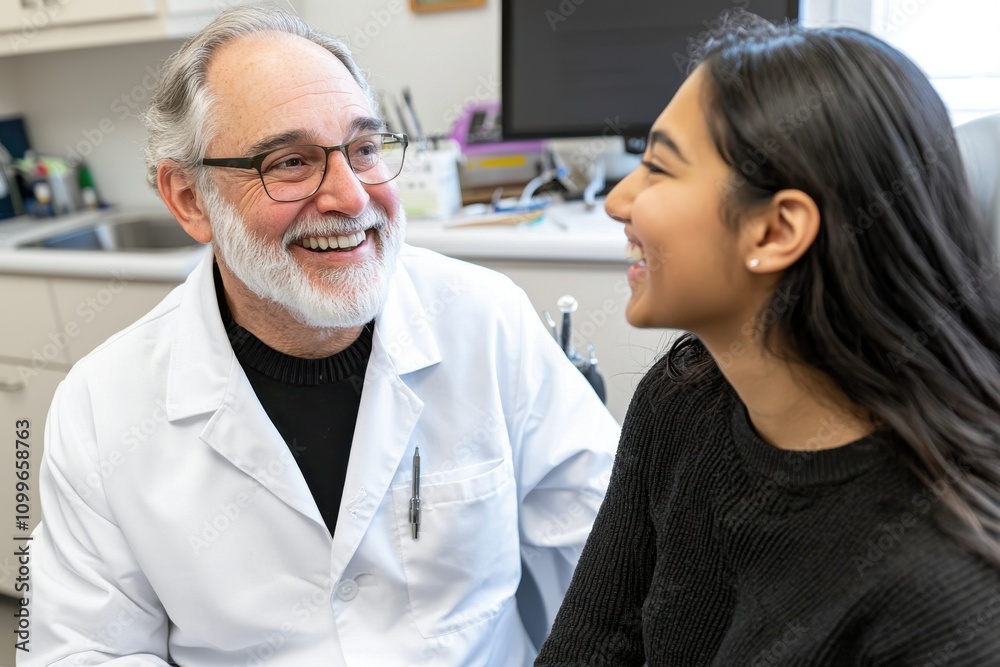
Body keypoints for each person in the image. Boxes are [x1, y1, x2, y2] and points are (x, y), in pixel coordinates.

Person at [25, 6, 619, 666]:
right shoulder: (102, 407)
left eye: (364, 149)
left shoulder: (486, 319)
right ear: (190, 198)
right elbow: (81, 650)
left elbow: (610, 554)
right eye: (291, 161)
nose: (351, 197)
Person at [536, 12, 1000, 667]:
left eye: (660, 169)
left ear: (776, 231)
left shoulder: (947, 588)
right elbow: (588, 648)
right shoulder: (681, 398)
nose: (619, 201)